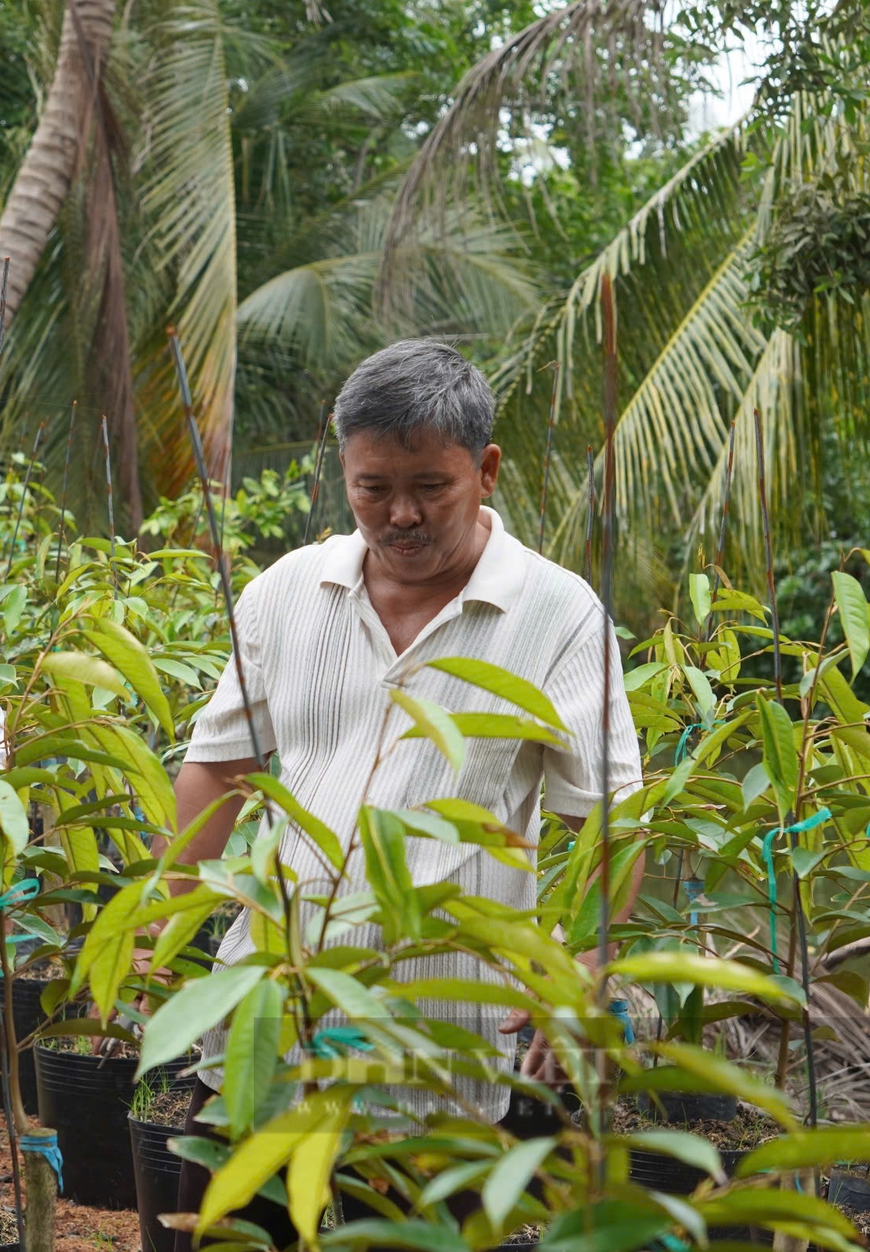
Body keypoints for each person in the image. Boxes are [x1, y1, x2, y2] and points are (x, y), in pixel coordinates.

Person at [164, 339, 643, 1243]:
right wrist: (164, 921)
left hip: (450, 1034)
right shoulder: (285, 593)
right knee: (226, 1232)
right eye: (373, 488)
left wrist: (581, 965)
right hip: (279, 1007)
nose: (402, 515)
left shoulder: (558, 612)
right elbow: (219, 768)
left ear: (486, 470)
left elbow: (607, 814)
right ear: (343, 467)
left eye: (431, 486)